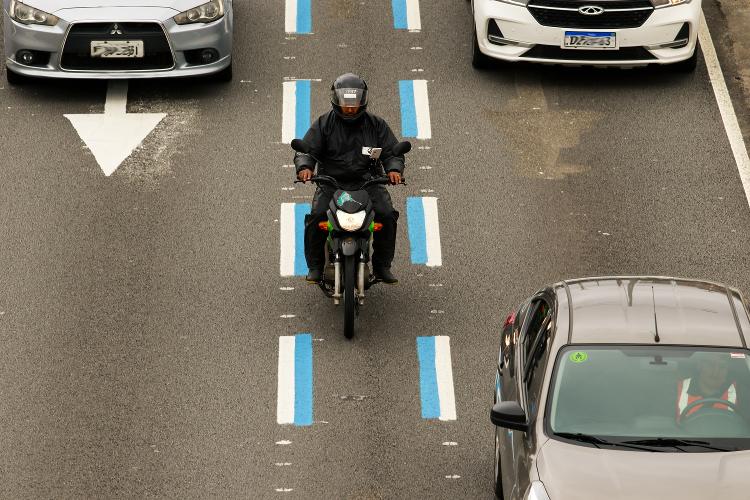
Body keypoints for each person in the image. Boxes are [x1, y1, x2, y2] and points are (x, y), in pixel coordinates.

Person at [294, 73, 405, 284]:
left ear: (363, 100)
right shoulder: (324, 123)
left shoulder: (376, 125)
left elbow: (393, 152)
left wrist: (394, 170)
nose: (350, 108)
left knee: (387, 215)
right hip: (331, 183)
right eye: (346, 103)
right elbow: (306, 151)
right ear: (337, 100)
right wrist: (305, 167)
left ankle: (382, 265)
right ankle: (315, 266)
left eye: (354, 103)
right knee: (317, 217)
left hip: (369, 182)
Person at [676, 353, 738, 422]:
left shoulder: (740, 391)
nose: (715, 372)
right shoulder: (678, 389)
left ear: (727, 370)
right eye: (710, 365)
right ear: (699, 365)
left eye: (722, 366)